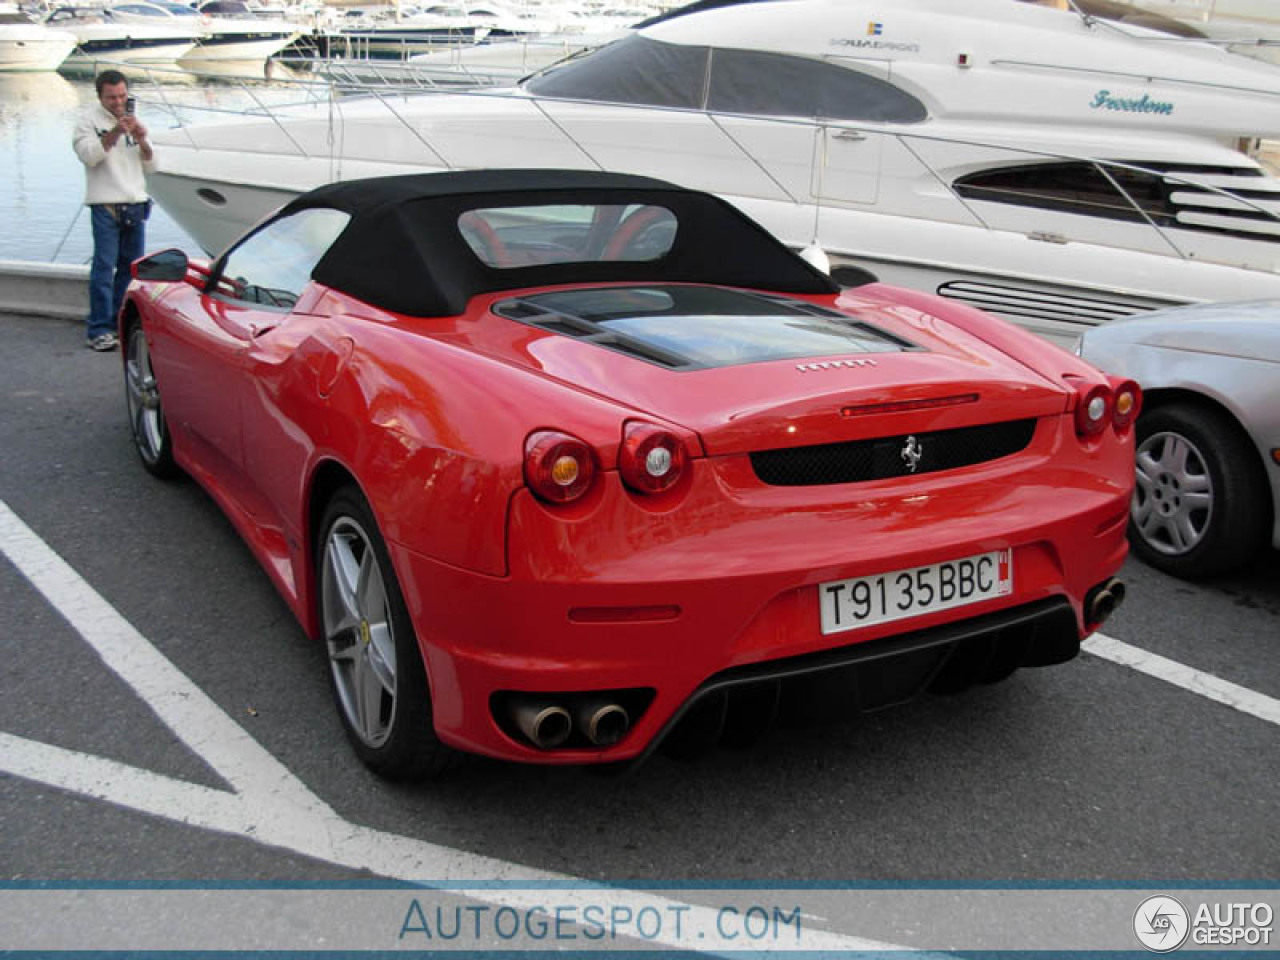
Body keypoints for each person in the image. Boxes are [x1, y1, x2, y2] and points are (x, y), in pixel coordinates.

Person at [73, 70, 155, 352]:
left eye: (122, 96)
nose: (119, 102)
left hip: (135, 202)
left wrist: (142, 139)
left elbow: (152, 165)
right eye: (112, 97)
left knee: (130, 271)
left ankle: (119, 322)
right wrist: (116, 132)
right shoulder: (87, 121)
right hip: (105, 203)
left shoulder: (135, 119)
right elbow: (89, 157)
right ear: (100, 96)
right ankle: (98, 329)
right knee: (104, 268)